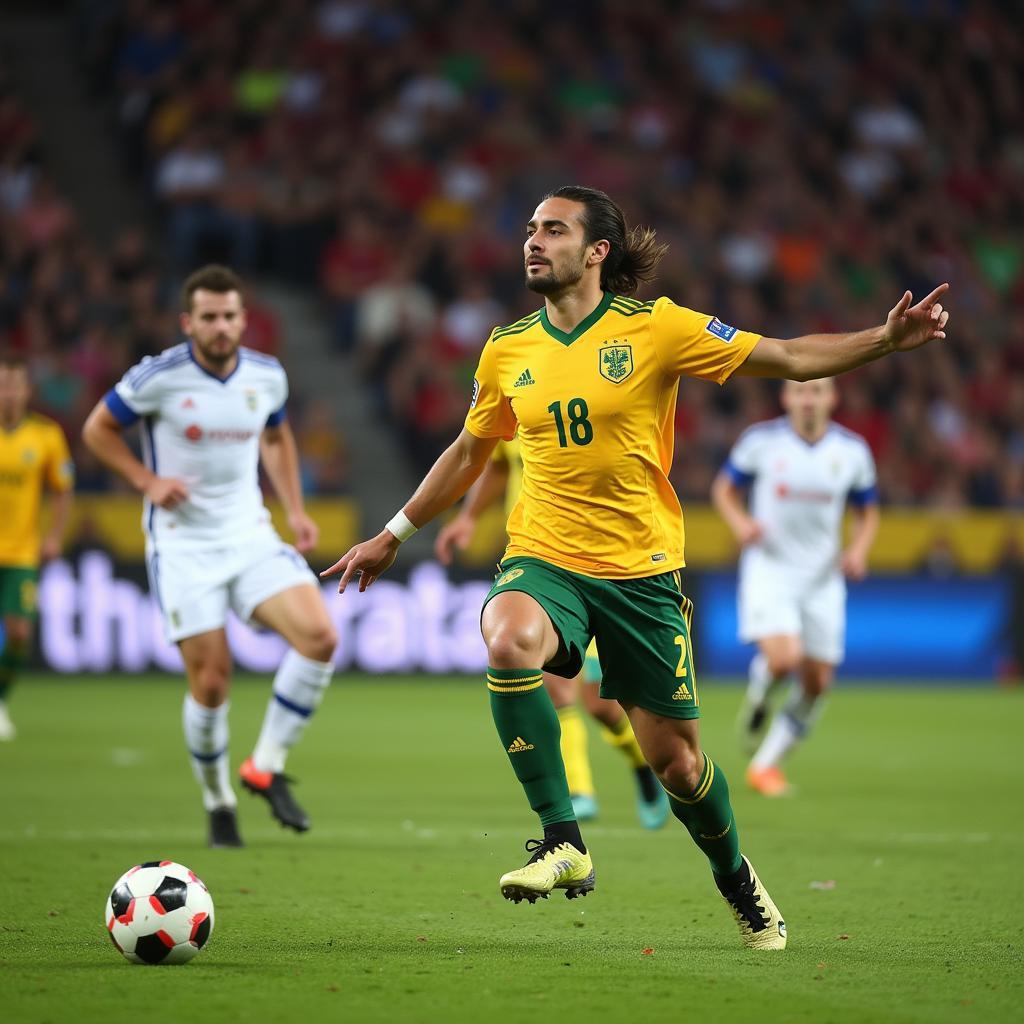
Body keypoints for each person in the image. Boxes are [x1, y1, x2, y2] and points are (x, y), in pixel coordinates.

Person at [322, 185, 949, 951]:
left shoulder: (657, 329)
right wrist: (396, 531)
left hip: (642, 574)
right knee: (508, 636)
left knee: (678, 766)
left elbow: (785, 357)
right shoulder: (506, 347)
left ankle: (738, 880)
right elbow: (469, 449)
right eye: (529, 229)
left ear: (597, 252)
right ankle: (562, 839)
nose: (533, 240)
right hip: (544, 554)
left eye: (553, 230)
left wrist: (883, 340)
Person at [82, 265, 338, 848]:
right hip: (182, 545)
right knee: (213, 680)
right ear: (188, 322)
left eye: (229, 316)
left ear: (244, 320)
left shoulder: (267, 376)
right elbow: (98, 429)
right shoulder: (158, 377)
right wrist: (145, 481)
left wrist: (295, 509)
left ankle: (264, 766)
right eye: (209, 318)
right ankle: (217, 798)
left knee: (320, 638)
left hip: (249, 533)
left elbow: (275, 437)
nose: (221, 327)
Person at [435, 437, 669, 828]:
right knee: (555, 684)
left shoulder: (588, 400)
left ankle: (643, 764)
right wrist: (469, 516)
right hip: (541, 565)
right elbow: (496, 463)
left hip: (603, 565)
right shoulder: (514, 394)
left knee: (602, 705)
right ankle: (579, 790)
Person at [711, 379, 880, 797]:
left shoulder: (852, 452)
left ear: (832, 398)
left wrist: (858, 551)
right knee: (784, 659)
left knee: (818, 682)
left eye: (817, 392)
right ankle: (761, 688)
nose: (809, 400)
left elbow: (867, 511)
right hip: (770, 568)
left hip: (824, 578)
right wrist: (741, 525)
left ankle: (765, 765)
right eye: (801, 392)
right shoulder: (761, 443)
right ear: (786, 398)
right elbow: (724, 489)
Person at [0, 356, 74, 740]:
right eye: (3, 385)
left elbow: (62, 491)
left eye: (14, 385)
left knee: (18, 633)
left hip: (21, 553)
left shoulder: (46, 436)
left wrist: (55, 535)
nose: (8, 393)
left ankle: (0, 702)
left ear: (27, 391)